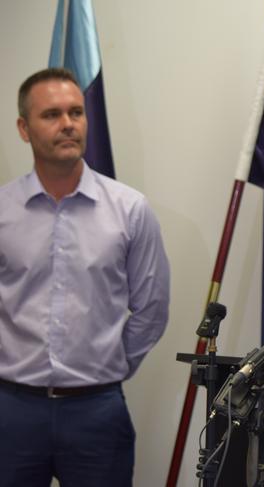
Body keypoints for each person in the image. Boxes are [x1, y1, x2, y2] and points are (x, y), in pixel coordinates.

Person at [0, 68, 170, 486]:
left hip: (96, 411)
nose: (68, 124)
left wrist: (108, 366)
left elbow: (152, 308)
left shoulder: (130, 210)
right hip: (12, 410)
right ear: (24, 128)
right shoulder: (2, 212)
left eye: (76, 112)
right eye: (52, 114)